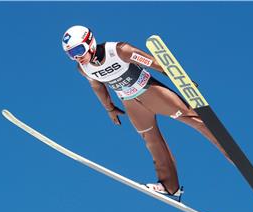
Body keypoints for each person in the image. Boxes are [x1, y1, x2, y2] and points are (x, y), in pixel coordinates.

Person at [62, 25, 232, 201]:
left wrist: (180, 78)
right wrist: (110, 108)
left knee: (193, 120)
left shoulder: (120, 51)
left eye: (78, 50)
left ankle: (230, 151)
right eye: (70, 54)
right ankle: (169, 186)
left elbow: (154, 63)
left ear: (90, 42)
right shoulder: (84, 69)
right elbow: (97, 86)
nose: (77, 57)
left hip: (151, 92)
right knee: (151, 141)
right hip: (131, 104)